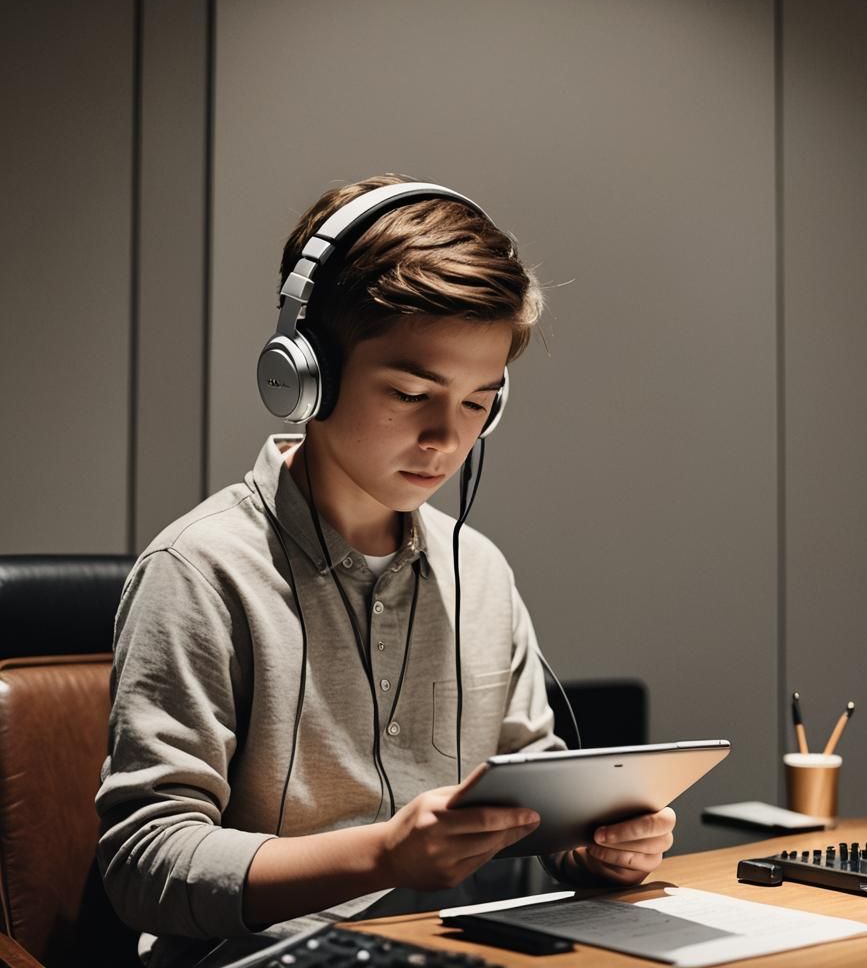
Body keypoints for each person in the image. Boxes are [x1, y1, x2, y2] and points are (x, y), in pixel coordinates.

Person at [96, 173, 675, 966]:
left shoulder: (479, 568)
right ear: (303, 375)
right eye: (411, 392)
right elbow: (144, 866)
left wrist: (596, 841)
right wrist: (382, 857)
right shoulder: (199, 572)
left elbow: (528, 792)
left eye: (480, 402)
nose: (447, 437)